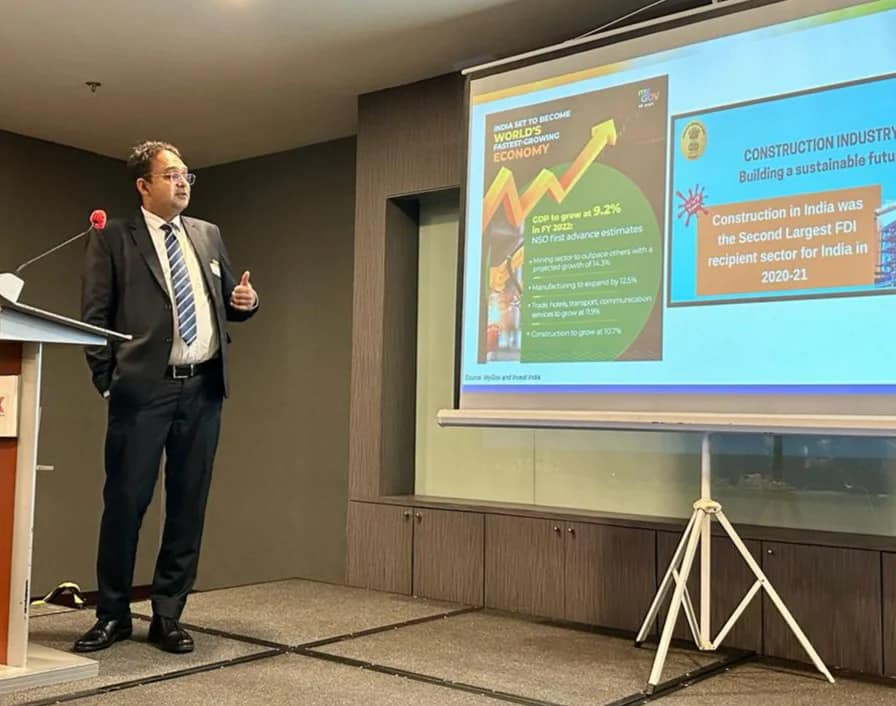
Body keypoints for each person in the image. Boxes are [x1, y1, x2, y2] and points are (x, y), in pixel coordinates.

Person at [75, 141, 258, 653]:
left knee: (188, 504)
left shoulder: (207, 233)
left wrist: (246, 301)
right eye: (171, 175)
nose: (182, 183)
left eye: (186, 175)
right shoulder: (113, 237)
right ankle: (112, 614)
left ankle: (168, 614)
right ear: (143, 185)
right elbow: (93, 318)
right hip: (142, 391)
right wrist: (108, 380)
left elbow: (227, 301)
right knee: (125, 503)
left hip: (202, 389)